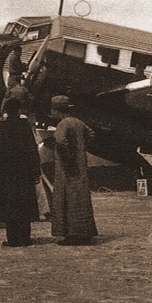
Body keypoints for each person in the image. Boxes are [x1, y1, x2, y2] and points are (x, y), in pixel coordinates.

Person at [0, 99, 41, 247]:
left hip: (6, 173)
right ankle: (25, 238)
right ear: (18, 111)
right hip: (24, 173)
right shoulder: (25, 127)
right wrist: (36, 171)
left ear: (6, 111)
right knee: (23, 205)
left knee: (10, 205)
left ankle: (12, 239)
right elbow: (32, 149)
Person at [50, 95, 98, 245]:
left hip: (67, 167)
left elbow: (60, 141)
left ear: (57, 110)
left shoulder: (63, 124)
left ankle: (73, 234)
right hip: (80, 165)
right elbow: (91, 134)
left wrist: (69, 156)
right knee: (81, 199)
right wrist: (80, 148)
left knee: (68, 199)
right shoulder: (78, 122)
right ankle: (85, 233)